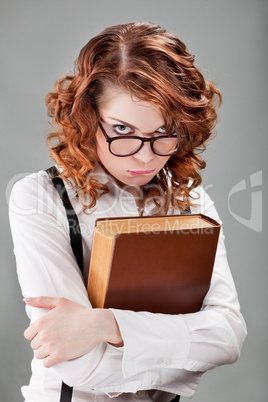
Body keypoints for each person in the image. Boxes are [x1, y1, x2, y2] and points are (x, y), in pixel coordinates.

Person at [9, 22, 247, 402]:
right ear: (88, 117)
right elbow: (80, 366)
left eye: (164, 133)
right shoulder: (39, 197)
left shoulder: (192, 201)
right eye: (122, 128)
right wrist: (184, 348)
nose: (144, 155)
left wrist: (106, 324)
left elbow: (228, 337)